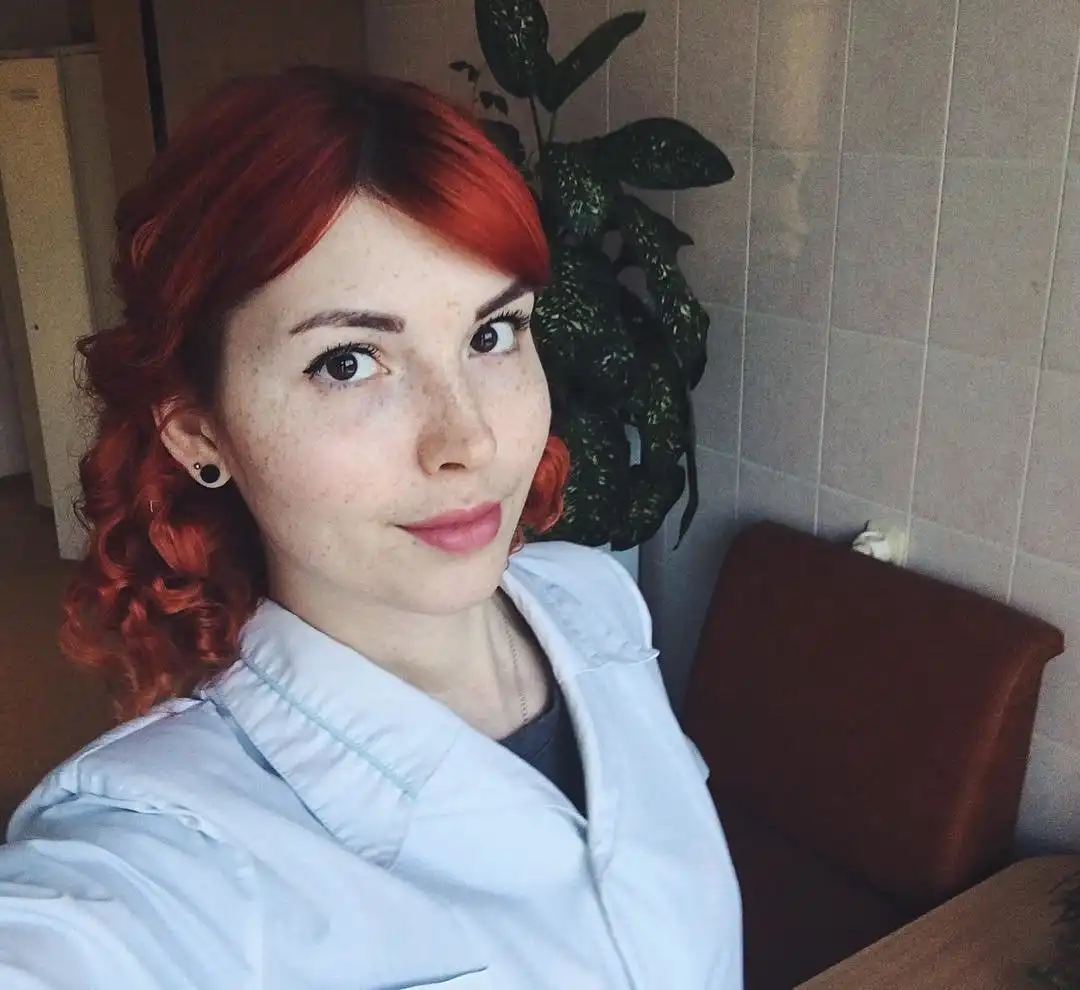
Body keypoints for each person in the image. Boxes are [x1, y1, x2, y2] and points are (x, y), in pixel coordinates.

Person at [0, 67, 742, 989]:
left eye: (492, 335)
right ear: (199, 432)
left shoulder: (595, 600)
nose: (467, 440)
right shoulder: (171, 849)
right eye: (348, 362)